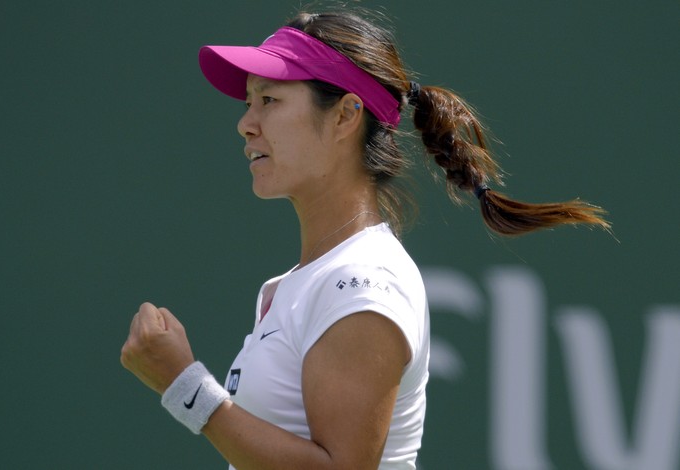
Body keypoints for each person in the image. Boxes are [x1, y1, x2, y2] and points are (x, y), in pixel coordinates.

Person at [120, 7, 609, 470]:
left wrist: (186, 386)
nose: (246, 124)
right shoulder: (306, 283)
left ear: (345, 116)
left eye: (269, 100)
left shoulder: (360, 282)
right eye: (250, 103)